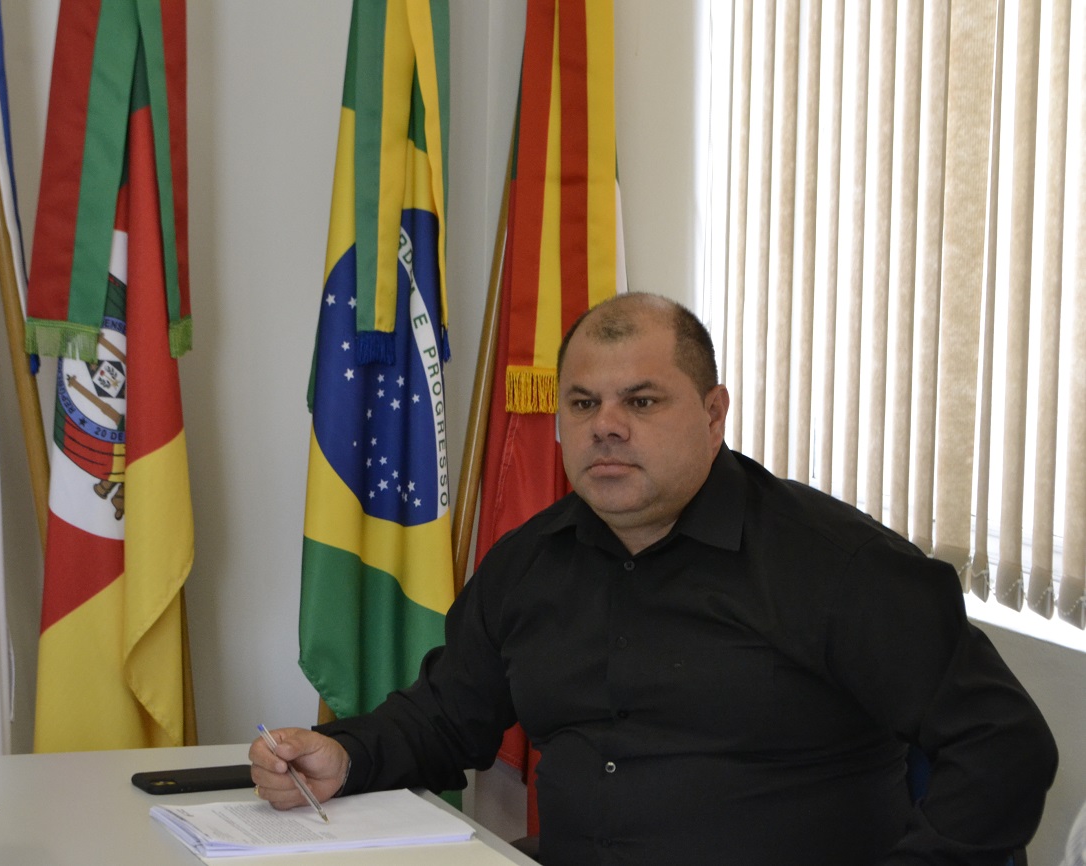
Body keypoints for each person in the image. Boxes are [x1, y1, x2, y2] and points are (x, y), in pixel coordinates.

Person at [251, 292, 1057, 865]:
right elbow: (444, 718)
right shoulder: (528, 562)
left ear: (713, 414)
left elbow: (1002, 744)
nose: (605, 426)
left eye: (641, 402)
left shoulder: (839, 565)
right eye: (582, 403)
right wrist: (344, 755)